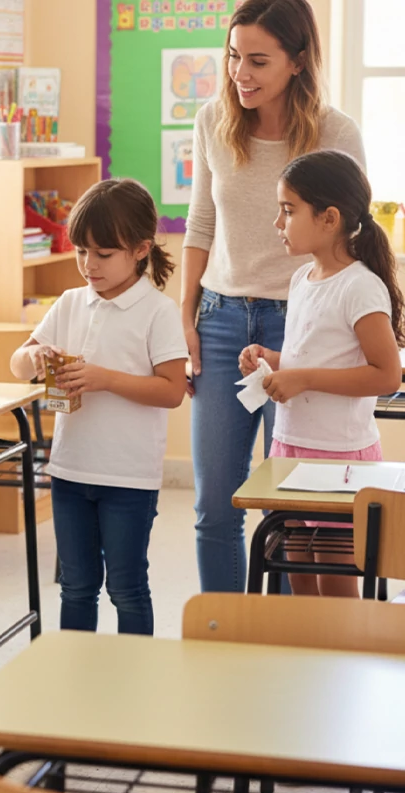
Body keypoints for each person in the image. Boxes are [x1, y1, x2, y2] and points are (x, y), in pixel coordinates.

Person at [182, 0, 366, 592]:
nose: (240, 73)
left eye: (258, 61)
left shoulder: (336, 132)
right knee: (215, 505)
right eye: (233, 56)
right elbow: (200, 224)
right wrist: (185, 316)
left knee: (287, 505)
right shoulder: (212, 121)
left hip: (302, 325)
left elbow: (351, 235)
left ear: (298, 60)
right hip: (220, 320)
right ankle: (224, 631)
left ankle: (284, 634)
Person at [9, 179, 187, 635]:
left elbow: (172, 390)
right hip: (70, 471)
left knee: (126, 588)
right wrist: (33, 357)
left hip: (128, 478)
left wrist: (105, 379)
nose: (89, 264)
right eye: (81, 251)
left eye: (103, 254)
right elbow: (17, 364)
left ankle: (132, 672)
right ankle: (78, 672)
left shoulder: (158, 311)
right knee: (76, 587)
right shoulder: (71, 302)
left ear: (141, 249)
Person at [239, 150, 403, 596]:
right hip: (291, 448)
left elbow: (387, 375)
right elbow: (315, 355)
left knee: (336, 591)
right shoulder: (302, 280)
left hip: (340, 460)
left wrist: (304, 379)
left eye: (288, 210)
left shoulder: (360, 286)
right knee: (299, 581)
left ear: (329, 218)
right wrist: (272, 359)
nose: (278, 222)